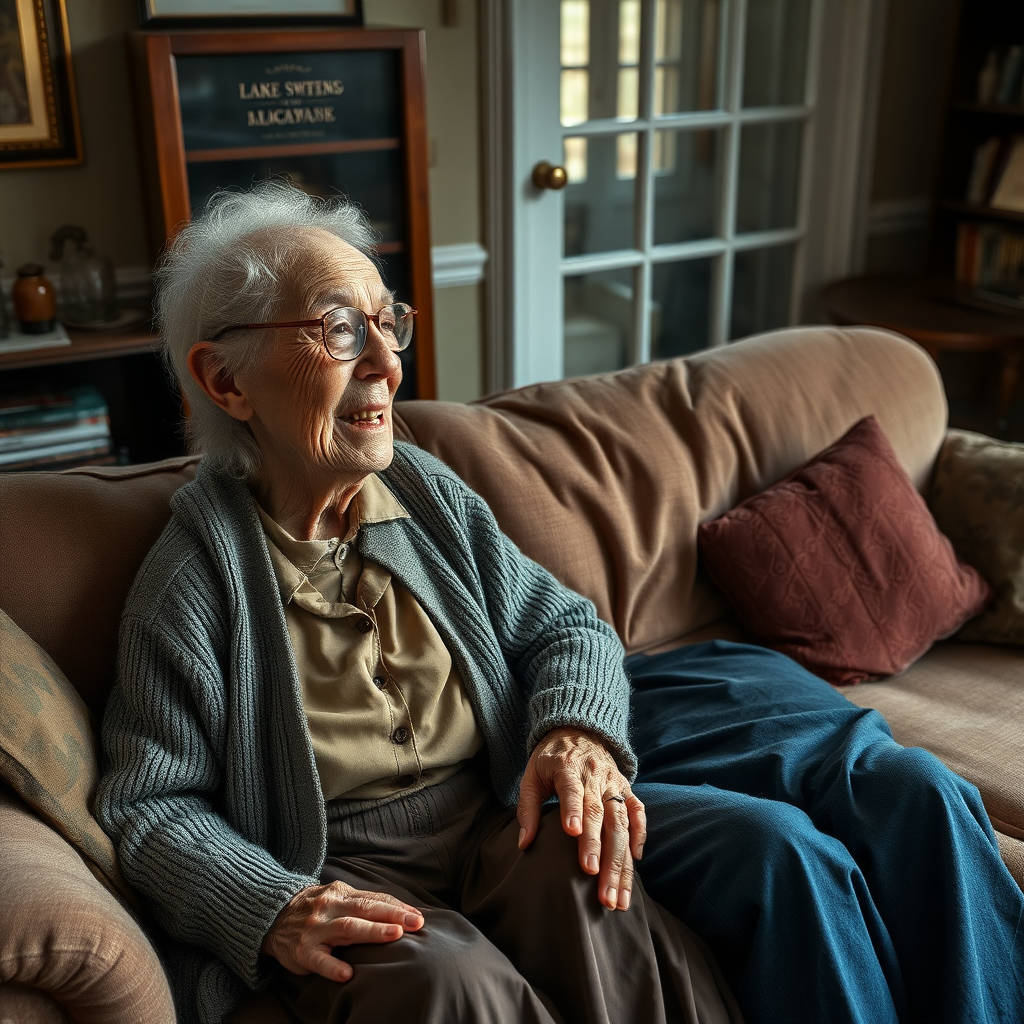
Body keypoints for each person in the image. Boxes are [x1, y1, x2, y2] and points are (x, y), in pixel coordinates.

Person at [95, 181, 740, 1024]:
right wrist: (272, 905)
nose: (386, 363)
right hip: (335, 858)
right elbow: (148, 805)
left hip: (489, 813)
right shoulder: (190, 588)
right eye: (338, 329)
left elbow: (564, 624)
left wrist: (573, 730)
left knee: (585, 873)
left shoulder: (424, 493)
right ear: (226, 381)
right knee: (452, 981)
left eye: (387, 322)